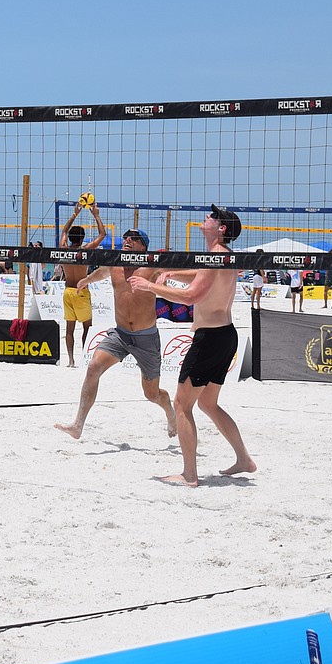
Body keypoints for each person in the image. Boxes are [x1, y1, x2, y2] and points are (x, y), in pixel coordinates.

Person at [130, 205, 255, 488]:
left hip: (210, 339)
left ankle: (189, 474)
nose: (206, 217)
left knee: (181, 405)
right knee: (208, 404)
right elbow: (200, 275)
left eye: (212, 217)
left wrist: (150, 287)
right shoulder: (222, 255)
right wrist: (169, 272)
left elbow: (190, 297)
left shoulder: (216, 256)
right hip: (225, 335)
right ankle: (244, 459)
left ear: (221, 228)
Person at [54, 228, 176, 440]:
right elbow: (101, 272)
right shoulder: (115, 263)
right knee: (93, 367)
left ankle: (169, 412)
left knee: (152, 394)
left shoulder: (151, 267)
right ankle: (78, 425)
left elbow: (177, 282)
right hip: (120, 335)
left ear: (143, 246)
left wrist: (161, 284)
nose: (127, 240)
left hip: (146, 337)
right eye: (126, 236)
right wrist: (86, 280)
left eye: (134, 238)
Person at [59, 198, 107, 367]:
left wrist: (75, 214)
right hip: (81, 291)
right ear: (82, 239)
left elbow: (64, 231)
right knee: (87, 327)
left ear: (70, 238)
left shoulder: (64, 249)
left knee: (69, 329)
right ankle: (84, 358)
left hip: (67, 291)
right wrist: (96, 215)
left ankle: (71, 360)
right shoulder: (84, 251)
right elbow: (102, 235)